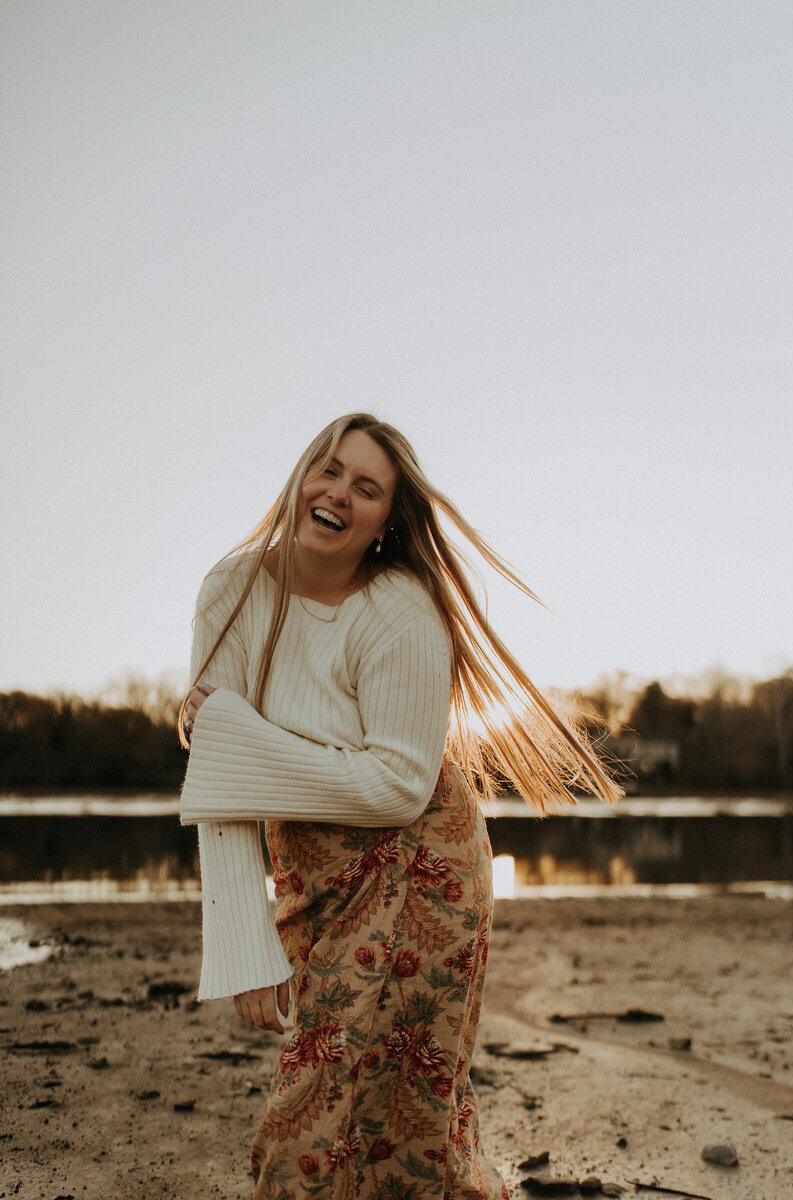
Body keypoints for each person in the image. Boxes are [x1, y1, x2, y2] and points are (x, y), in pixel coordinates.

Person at [179, 413, 622, 1200]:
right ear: (299, 477)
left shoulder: (400, 610)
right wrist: (245, 942)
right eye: (328, 469)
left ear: (387, 519)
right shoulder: (231, 589)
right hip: (314, 878)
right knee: (330, 1098)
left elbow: (397, 788)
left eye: (366, 486)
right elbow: (222, 785)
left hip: (426, 874)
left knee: (404, 1119)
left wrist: (236, 731)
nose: (337, 493)